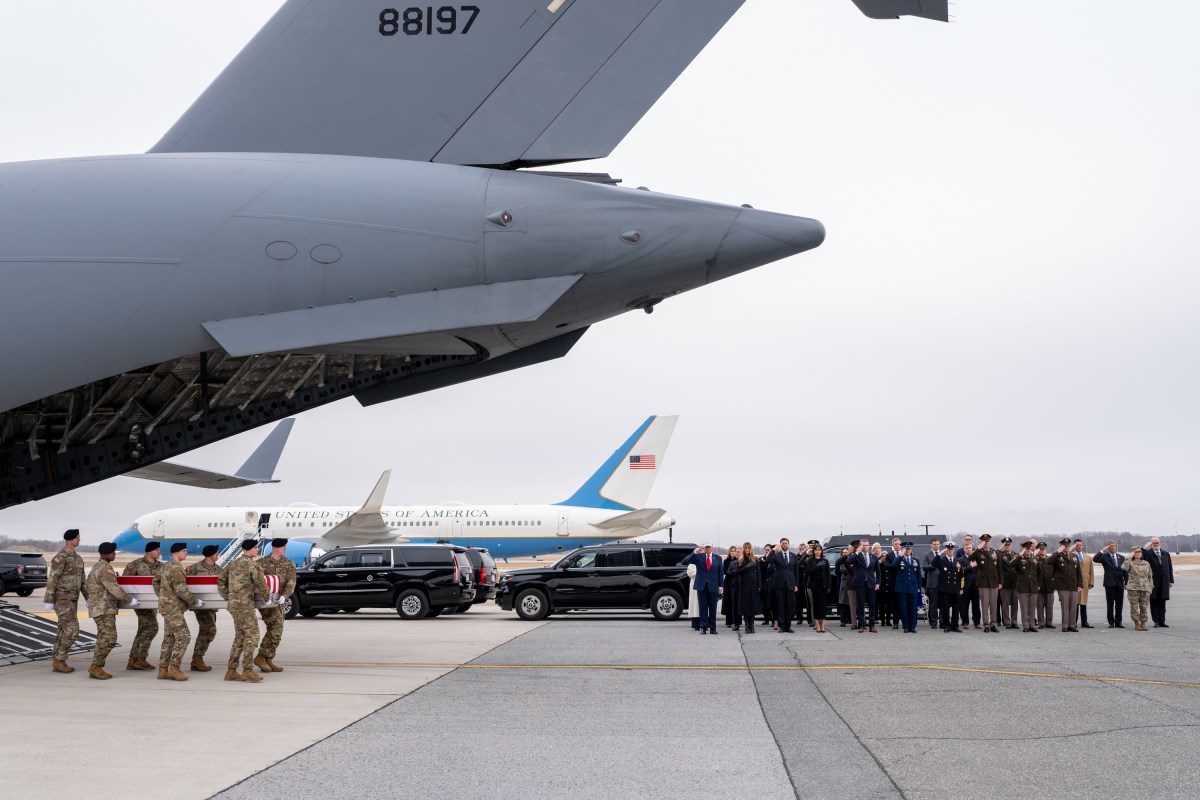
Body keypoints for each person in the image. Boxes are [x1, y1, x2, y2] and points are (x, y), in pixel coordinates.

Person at [219, 539, 271, 681]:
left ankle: (231, 670)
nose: (257, 550)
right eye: (255, 547)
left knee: (240, 637)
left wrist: (229, 597)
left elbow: (221, 581)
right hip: (245, 606)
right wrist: (268, 599)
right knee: (253, 635)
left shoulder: (233, 564)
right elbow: (261, 583)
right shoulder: (252, 565)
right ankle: (248, 669)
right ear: (248, 549)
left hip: (234, 606)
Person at [83, 541, 134, 679]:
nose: (114, 554)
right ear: (106, 554)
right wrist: (130, 599)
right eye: (112, 552)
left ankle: (96, 667)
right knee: (110, 638)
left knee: (103, 638)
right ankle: (96, 666)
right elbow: (114, 589)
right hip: (103, 609)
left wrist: (91, 599)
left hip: (99, 608)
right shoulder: (106, 569)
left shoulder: (97, 566)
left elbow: (87, 585)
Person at [42, 529, 88, 674]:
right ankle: (60, 659)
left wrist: (88, 598)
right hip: (61, 599)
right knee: (72, 630)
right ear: (70, 540)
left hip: (72, 599)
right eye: (77, 537)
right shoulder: (60, 557)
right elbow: (53, 578)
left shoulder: (78, 558)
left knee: (63, 630)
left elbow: (82, 581)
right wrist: (48, 599)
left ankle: (58, 660)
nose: (79, 539)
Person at [155, 542, 202, 681]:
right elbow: (181, 590)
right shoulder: (176, 568)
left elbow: (155, 582)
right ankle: (174, 668)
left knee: (169, 638)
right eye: (184, 551)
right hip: (173, 608)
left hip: (167, 606)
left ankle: (163, 670)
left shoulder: (165, 566)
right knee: (184, 636)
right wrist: (195, 601)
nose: (186, 553)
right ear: (177, 553)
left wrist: (163, 596)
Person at [256, 538, 297, 671]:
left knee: (276, 630)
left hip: (279, 601)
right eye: (283, 547)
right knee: (276, 627)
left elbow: (291, 581)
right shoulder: (261, 563)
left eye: (285, 547)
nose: (285, 549)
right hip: (266, 602)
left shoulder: (288, 563)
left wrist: (285, 596)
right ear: (276, 548)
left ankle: (267, 659)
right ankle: (261, 657)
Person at [122, 541, 163, 671]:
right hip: (140, 603)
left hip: (154, 603)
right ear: (149, 551)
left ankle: (133, 660)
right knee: (152, 627)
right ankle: (140, 659)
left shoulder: (161, 566)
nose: (159, 551)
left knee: (143, 630)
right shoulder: (134, 565)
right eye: (157, 549)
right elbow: (125, 582)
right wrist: (130, 600)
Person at [185, 544, 221, 671]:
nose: (218, 555)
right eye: (216, 553)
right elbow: (184, 583)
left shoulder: (219, 569)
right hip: (200, 605)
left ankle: (197, 659)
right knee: (209, 630)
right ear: (210, 555)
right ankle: (197, 658)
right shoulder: (194, 568)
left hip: (212, 606)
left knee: (206, 631)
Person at [683, 543, 724, 635]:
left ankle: (713, 628)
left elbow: (720, 573)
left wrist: (721, 586)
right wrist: (694, 552)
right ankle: (703, 627)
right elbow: (685, 561)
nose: (707, 549)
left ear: (712, 548)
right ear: (704, 548)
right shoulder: (699, 557)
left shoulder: (717, 558)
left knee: (713, 607)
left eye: (709, 547)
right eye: (706, 547)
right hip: (701, 586)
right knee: (703, 607)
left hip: (713, 586)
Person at [1048, 538, 1082, 632]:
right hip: (1062, 585)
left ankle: (1072, 625)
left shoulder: (1074, 556)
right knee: (1065, 606)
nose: (1066, 547)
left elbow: (1078, 572)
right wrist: (1057, 552)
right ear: (1061, 546)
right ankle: (1065, 626)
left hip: (1073, 585)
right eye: (1064, 546)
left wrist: (1080, 585)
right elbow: (1049, 562)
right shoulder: (1058, 556)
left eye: (1068, 546)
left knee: (1073, 606)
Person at [766, 538, 798, 633]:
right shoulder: (776, 555)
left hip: (790, 584)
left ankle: (788, 625)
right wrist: (774, 549)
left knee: (789, 606)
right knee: (780, 605)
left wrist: (796, 584)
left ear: (789, 544)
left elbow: (796, 572)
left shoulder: (793, 556)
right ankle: (782, 626)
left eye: (786, 543)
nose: (785, 545)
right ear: (780, 545)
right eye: (783, 543)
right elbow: (768, 559)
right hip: (779, 585)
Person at [970, 534, 1001, 632]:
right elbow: (970, 558)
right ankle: (986, 624)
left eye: (987, 541)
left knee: (993, 604)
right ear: (981, 542)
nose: (986, 543)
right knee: (984, 604)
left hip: (994, 582)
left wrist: (1000, 582)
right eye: (984, 541)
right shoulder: (978, 552)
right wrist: (978, 548)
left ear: (990, 542)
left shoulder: (995, 552)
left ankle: (993, 624)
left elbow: (999, 568)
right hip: (983, 582)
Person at [849, 540, 880, 633]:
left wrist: (878, 583)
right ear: (860, 546)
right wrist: (857, 552)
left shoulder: (873, 557)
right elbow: (848, 561)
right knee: (861, 604)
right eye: (863, 545)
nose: (865, 547)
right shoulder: (857, 556)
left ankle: (872, 625)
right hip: (860, 583)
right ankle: (861, 625)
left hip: (871, 583)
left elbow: (878, 571)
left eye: (867, 545)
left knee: (872, 604)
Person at [1142, 537, 1174, 628]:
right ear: (1151, 544)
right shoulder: (1148, 554)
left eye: (1157, 542)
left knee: (1162, 602)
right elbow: (1141, 555)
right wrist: (1144, 547)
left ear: (1160, 543)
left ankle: (1162, 621)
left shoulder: (1166, 554)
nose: (1156, 544)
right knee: (1154, 601)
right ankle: (1156, 621)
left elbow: (1170, 568)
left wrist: (1171, 580)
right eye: (1154, 543)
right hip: (1153, 582)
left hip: (1164, 582)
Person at [1094, 540, 1126, 628]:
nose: (1112, 548)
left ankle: (1118, 622)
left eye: (1114, 546)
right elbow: (1095, 559)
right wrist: (1102, 550)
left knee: (1119, 604)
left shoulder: (1121, 557)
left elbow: (1124, 571)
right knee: (1110, 604)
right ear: (1108, 547)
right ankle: (1111, 622)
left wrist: (1126, 582)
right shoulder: (1104, 556)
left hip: (1119, 584)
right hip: (1109, 583)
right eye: (1110, 546)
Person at [730, 543, 761, 634]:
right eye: (746, 547)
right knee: (745, 607)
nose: (747, 549)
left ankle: (752, 624)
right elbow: (737, 572)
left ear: (751, 549)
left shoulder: (755, 559)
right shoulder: (741, 559)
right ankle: (747, 625)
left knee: (753, 606)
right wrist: (747, 567)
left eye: (749, 547)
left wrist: (759, 586)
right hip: (743, 586)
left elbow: (758, 574)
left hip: (753, 585)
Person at [892, 542, 922, 633]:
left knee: (913, 607)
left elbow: (918, 575)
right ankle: (905, 626)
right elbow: (893, 565)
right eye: (906, 549)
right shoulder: (900, 559)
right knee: (903, 607)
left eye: (909, 549)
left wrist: (919, 587)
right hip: (902, 587)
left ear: (911, 550)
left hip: (913, 586)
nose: (907, 551)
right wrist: (901, 555)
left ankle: (912, 626)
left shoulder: (915, 560)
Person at [1012, 540, 1040, 632]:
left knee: (1032, 607)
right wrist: (1020, 555)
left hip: (1033, 586)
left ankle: (1032, 625)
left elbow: (1039, 573)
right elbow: (1011, 565)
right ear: (1023, 549)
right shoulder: (1019, 558)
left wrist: (1038, 584)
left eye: (1030, 549)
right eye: (1027, 549)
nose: (1029, 550)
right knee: (1024, 607)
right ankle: (1026, 626)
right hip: (1023, 586)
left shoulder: (1034, 558)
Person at [934, 543, 963, 632]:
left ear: (954, 550)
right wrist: (939, 554)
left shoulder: (958, 561)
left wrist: (961, 588)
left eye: (952, 549)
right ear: (946, 550)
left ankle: (955, 625)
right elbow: (934, 563)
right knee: (945, 608)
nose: (950, 551)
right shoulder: (941, 560)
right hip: (945, 588)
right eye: (949, 549)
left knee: (956, 607)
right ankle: (946, 625)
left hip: (955, 588)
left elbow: (961, 576)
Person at [1122, 548, 1153, 632]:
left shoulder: (1146, 563)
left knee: (1144, 606)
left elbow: (1150, 576)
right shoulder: (1130, 563)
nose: (1139, 553)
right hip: (1133, 588)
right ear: (1133, 553)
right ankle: (1136, 623)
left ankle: (1143, 623)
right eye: (1136, 552)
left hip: (1145, 588)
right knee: (1134, 607)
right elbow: (1124, 567)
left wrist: (1150, 587)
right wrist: (1129, 557)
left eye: (1140, 552)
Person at [804, 545, 831, 633]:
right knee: (816, 605)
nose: (817, 551)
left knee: (823, 606)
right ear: (813, 551)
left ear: (821, 551)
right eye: (816, 550)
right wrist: (817, 566)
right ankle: (817, 624)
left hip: (823, 586)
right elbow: (808, 572)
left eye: (819, 550)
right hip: (814, 586)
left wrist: (829, 586)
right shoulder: (810, 561)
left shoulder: (825, 561)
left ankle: (823, 625)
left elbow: (828, 575)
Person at [997, 537, 1019, 629]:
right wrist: (999, 549)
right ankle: (1007, 622)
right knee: (1005, 604)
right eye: (1005, 544)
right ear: (1002, 545)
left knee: (1015, 604)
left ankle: (1014, 621)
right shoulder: (1000, 555)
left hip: (1015, 583)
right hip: (1005, 583)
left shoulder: (1016, 555)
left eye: (1008, 544)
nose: (1007, 546)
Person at [958, 544, 981, 630]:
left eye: (970, 548)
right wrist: (970, 566)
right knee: (964, 605)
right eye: (967, 548)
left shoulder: (976, 559)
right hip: (965, 586)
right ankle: (965, 622)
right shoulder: (960, 560)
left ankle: (977, 622)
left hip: (976, 585)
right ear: (964, 550)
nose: (968, 549)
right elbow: (960, 571)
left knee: (976, 605)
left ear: (972, 549)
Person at [1073, 539, 1095, 628]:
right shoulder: (1071, 556)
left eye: (1080, 545)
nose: (1079, 546)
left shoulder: (1088, 558)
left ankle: (1084, 622)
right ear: (1074, 546)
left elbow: (1091, 571)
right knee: (1075, 603)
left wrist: (1091, 582)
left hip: (1085, 583)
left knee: (1083, 602)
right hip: (1075, 583)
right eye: (1077, 545)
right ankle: (1073, 622)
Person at [883, 538, 903, 629]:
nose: (897, 545)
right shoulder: (889, 555)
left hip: (903, 582)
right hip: (893, 583)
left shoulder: (905, 554)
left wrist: (894, 565)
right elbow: (887, 566)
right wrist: (895, 565)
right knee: (894, 604)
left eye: (899, 544)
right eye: (895, 544)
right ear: (893, 545)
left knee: (903, 603)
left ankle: (905, 621)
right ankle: (895, 622)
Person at [922, 539, 942, 629]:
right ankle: (933, 622)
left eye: (937, 544)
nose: (936, 546)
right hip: (932, 583)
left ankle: (942, 621)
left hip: (942, 582)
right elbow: (924, 567)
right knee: (933, 604)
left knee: (943, 604)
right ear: (931, 545)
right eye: (934, 544)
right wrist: (933, 565)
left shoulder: (943, 554)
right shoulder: (927, 555)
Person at [1035, 542, 1054, 630]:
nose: (1043, 550)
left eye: (1044, 549)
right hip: (1040, 586)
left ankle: (1049, 622)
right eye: (1041, 549)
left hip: (1049, 586)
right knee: (1040, 606)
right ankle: (1041, 623)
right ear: (1038, 550)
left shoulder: (1049, 559)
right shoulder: (1035, 559)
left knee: (1049, 606)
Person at [722, 545, 740, 629]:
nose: (733, 552)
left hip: (736, 582)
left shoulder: (738, 560)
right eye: (731, 551)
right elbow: (726, 571)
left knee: (736, 601)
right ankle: (728, 621)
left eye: (734, 551)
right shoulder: (726, 561)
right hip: (728, 582)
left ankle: (737, 621)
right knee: (728, 602)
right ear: (729, 552)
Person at [758, 544, 775, 629]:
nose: (767, 550)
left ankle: (773, 619)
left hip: (772, 582)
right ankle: (766, 619)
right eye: (766, 549)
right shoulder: (762, 559)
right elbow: (760, 570)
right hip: (764, 582)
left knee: (772, 602)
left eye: (769, 549)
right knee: (764, 602)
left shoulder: (773, 558)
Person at [835, 547, 852, 626]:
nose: (845, 553)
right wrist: (852, 571)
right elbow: (843, 570)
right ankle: (843, 620)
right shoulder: (842, 561)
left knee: (851, 602)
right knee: (843, 602)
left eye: (846, 552)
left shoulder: (852, 559)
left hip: (852, 583)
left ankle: (850, 619)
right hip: (844, 583)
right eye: (843, 552)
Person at [686, 562, 701, 631]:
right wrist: (701, 570)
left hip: (704, 585)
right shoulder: (692, 563)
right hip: (695, 585)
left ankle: (704, 624)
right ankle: (696, 624)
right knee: (695, 605)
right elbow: (690, 573)